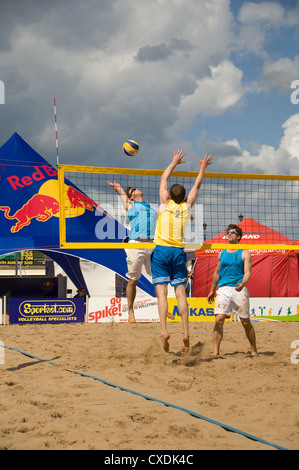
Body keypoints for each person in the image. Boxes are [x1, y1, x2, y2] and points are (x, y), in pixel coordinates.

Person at [151, 148, 213, 354]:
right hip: (178, 251)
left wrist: (174, 162)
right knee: (180, 294)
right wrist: (202, 167)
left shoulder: (164, 204)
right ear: (185, 197)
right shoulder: (187, 208)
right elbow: (197, 185)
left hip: (161, 251)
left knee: (161, 294)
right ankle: (186, 332)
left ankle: (164, 331)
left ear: (169, 195)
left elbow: (163, 177)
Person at [106, 181, 157, 324]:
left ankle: (163, 308)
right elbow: (122, 193)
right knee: (133, 280)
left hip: (152, 245)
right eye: (133, 189)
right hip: (136, 245)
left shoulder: (152, 207)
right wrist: (117, 187)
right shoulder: (131, 205)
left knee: (159, 279)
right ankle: (130, 311)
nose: (137, 188)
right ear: (131, 197)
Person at [207, 224, 257, 356]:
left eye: (232, 232)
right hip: (223, 289)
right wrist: (212, 290)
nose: (229, 234)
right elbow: (217, 273)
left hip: (238, 289)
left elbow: (247, 272)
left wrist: (243, 283)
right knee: (219, 320)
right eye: (227, 232)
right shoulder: (222, 252)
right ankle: (215, 353)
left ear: (238, 236)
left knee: (245, 322)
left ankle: (253, 350)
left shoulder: (244, 252)